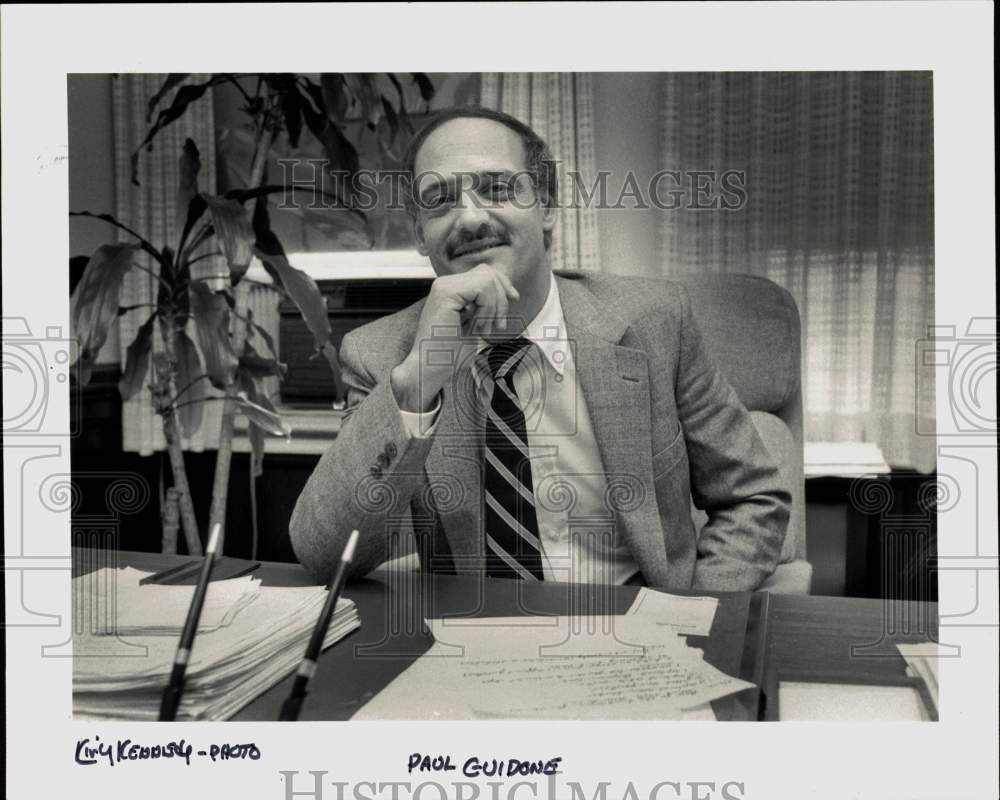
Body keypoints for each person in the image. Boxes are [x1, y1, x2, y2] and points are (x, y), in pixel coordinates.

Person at [290, 106, 790, 591]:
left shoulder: (654, 322)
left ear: (547, 208)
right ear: (420, 232)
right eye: (439, 201)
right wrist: (419, 380)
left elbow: (753, 497)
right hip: (474, 643)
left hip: (639, 628)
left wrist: (695, 618)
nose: (469, 219)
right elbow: (324, 554)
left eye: (497, 188)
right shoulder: (380, 356)